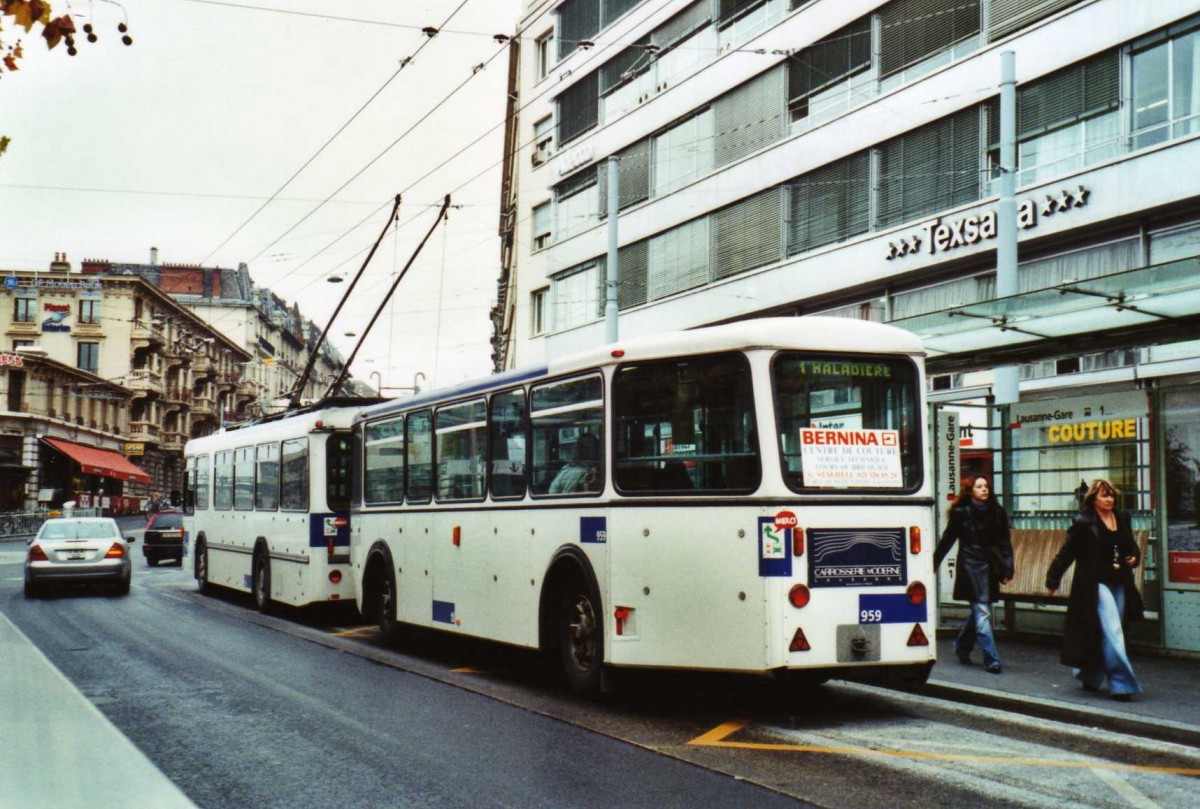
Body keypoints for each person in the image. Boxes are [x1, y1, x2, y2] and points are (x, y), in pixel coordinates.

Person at [1045, 478, 1143, 701]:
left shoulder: (1120, 518)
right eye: (1103, 495)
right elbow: (1066, 553)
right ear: (1093, 499)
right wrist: (1053, 579)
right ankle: (1121, 683)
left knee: (1107, 632)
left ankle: (1090, 675)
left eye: (1111, 495)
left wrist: (1134, 557)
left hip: (1119, 582)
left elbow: (1130, 546)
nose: (1109, 499)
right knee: (1113, 631)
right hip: (1094, 584)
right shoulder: (1084, 522)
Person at [934, 475, 1014, 674]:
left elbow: (1005, 542)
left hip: (990, 566)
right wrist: (932, 564)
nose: (984, 489)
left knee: (980, 612)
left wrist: (1008, 568)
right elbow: (947, 540)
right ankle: (991, 658)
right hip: (970, 566)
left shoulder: (998, 512)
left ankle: (962, 646)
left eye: (986, 486)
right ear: (971, 491)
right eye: (979, 486)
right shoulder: (962, 513)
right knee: (983, 612)